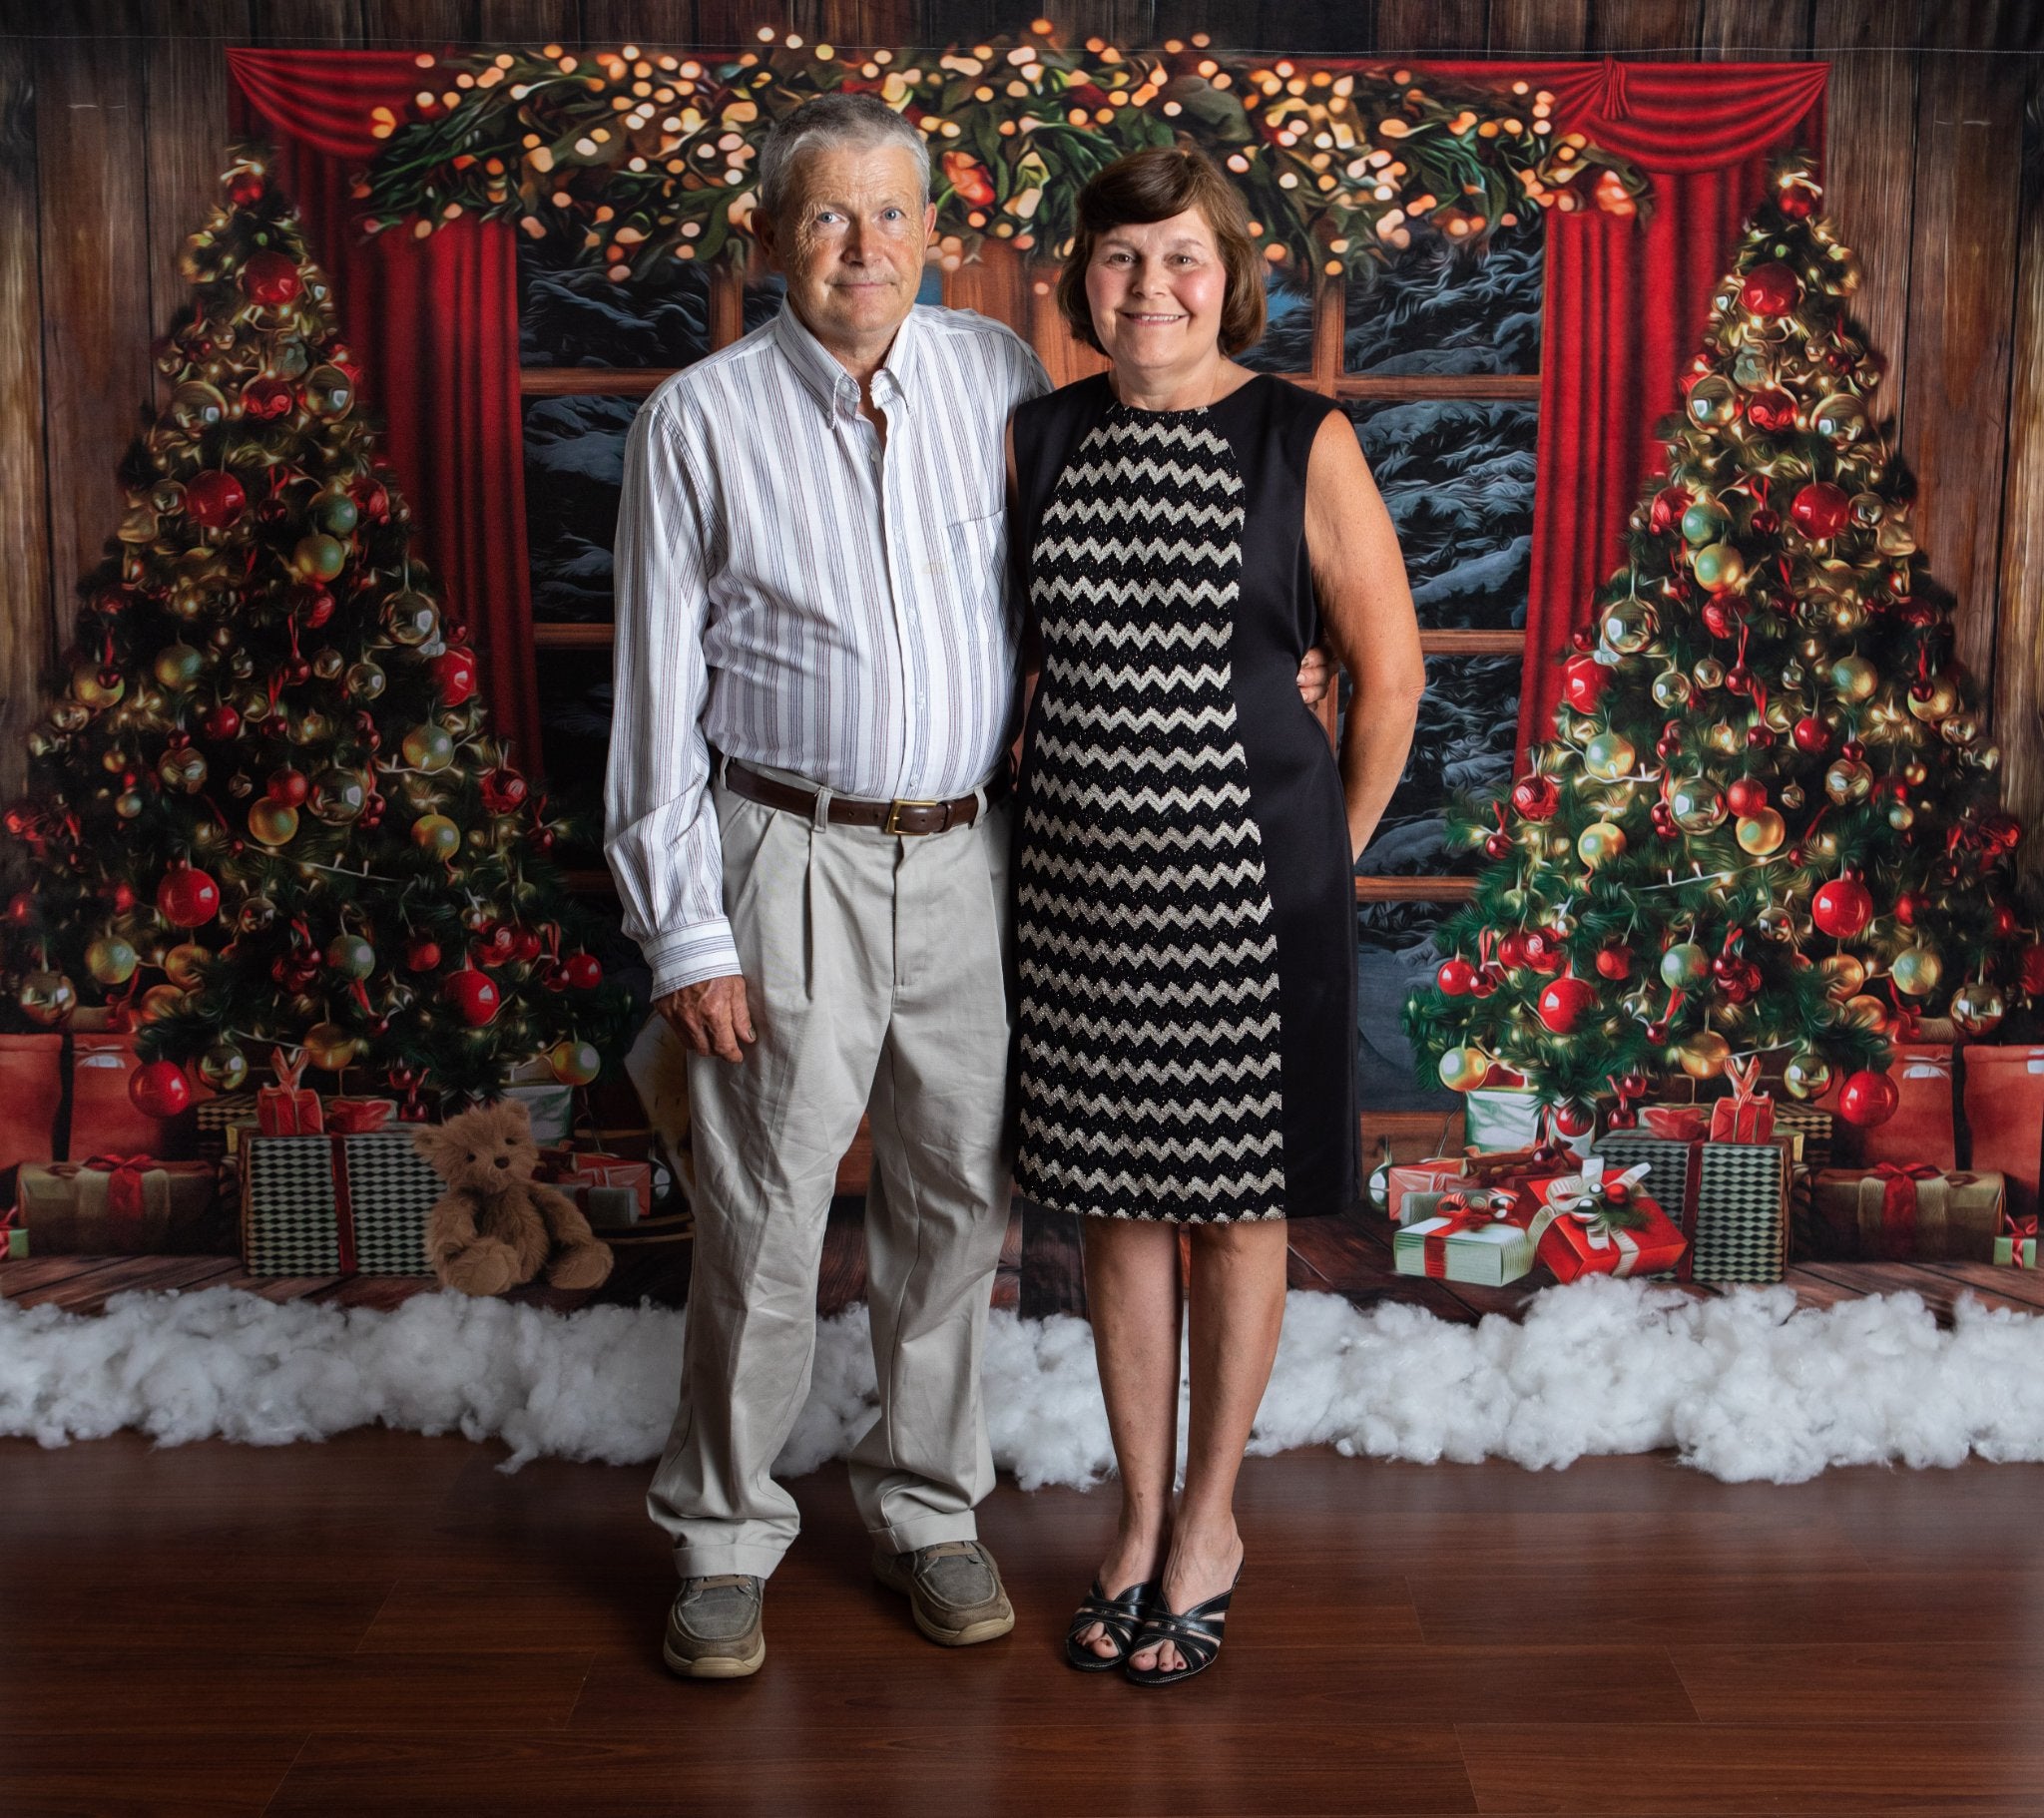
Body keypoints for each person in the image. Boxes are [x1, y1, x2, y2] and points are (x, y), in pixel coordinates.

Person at [605, 93, 1047, 1678]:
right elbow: (653, 706)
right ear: (774, 237)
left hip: (973, 854)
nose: (866, 250)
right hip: (781, 849)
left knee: (954, 1205)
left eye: (894, 217)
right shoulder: (699, 418)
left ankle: (930, 1506)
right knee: (767, 1213)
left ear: (938, 233)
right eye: (829, 218)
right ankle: (722, 1534)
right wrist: (687, 937)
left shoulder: (1001, 377)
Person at [1007, 147, 1424, 1686]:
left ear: (1227, 270)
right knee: (1116, 1204)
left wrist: (1332, 843)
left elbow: (1390, 673)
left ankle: (1208, 1523)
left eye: (1180, 257)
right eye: (1119, 259)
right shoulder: (1038, 438)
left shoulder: (1297, 438)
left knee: (1236, 1208)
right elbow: (1013, 671)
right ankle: (1130, 1520)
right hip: (1078, 891)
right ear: (1085, 281)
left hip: (1252, 896)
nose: (1151, 288)